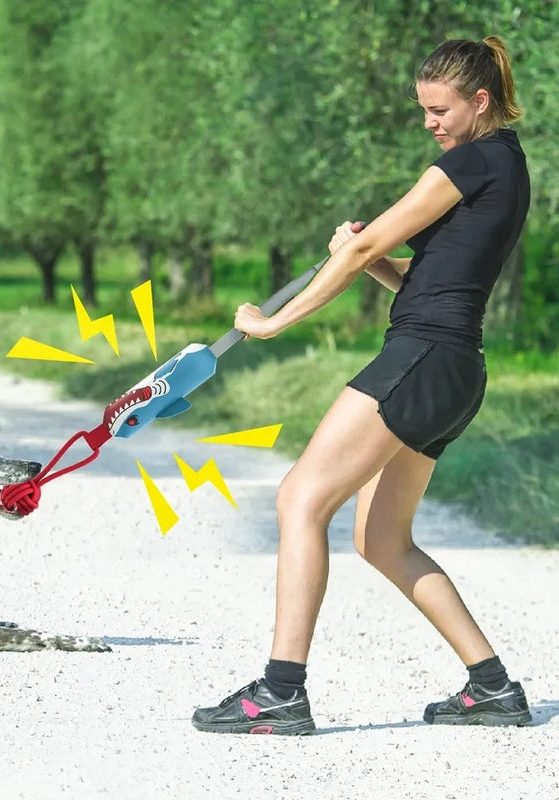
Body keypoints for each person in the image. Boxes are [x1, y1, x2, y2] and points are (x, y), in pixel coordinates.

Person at [192, 36, 532, 735]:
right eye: (423, 112)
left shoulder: (468, 160)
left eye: (440, 110)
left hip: (423, 355)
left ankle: (281, 691)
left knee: (299, 499)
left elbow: (367, 245)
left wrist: (272, 321)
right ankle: (493, 688)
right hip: (454, 366)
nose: (431, 124)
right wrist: (363, 258)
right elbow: (416, 275)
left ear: (480, 100)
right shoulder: (507, 167)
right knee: (382, 540)